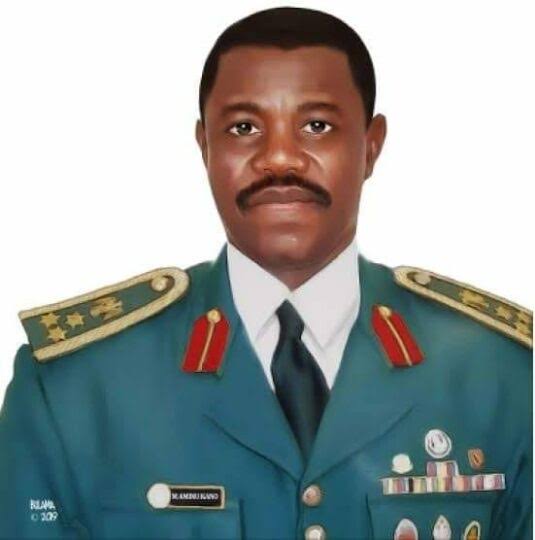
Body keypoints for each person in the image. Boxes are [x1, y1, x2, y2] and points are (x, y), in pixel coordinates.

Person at [0, 7, 531, 540]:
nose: (280, 159)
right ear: (205, 146)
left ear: (371, 145)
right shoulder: (75, 389)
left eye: (317, 126)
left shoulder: (500, 376)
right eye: (244, 128)